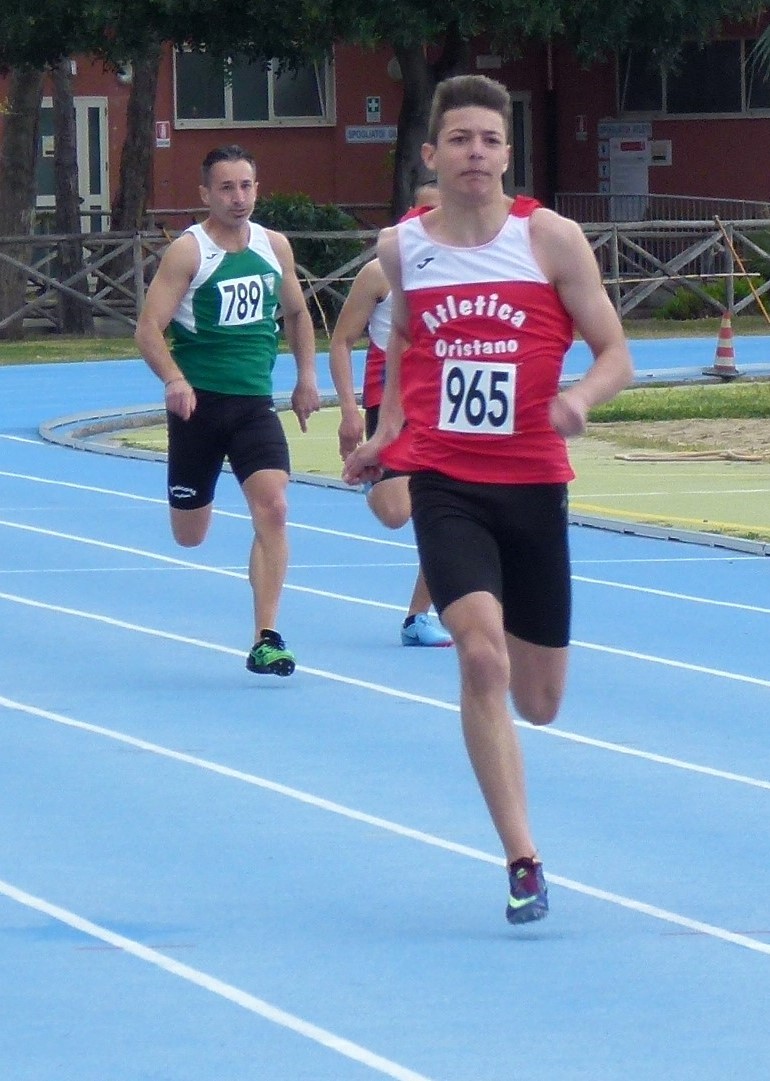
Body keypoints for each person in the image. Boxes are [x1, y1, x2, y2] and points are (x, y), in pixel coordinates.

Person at [343, 75, 634, 923]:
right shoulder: (403, 250)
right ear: (431, 154)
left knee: (539, 702)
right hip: (447, 482)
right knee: (479, 657)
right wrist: (385, 434)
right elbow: (404, 344)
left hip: (534, 484)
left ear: (508, 154)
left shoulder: (550, 239)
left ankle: (517, 722)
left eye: (490, 140)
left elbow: (617, 353)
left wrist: (579, 398)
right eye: (461, 139)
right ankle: (522, 859)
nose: (476, 153)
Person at [135, 145, 320, 678]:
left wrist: (307, 378)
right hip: (198, 406)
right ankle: (195, 498)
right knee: (189, 535)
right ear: (205, 194)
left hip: (253, 406)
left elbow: (297, 313)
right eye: (226, 188)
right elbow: (148, 330)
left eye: (246, 186)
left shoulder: (274, 246)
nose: (238, 198)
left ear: (257, 189)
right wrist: (174, 379)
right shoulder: (188, 253)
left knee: (274, 507)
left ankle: (266, 637)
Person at [329, 184, 452, 647]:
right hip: (389, 405)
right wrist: (348, 410)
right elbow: (341, 341)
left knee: (447, 509)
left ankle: (418, 617)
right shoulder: (380, 272)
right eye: (427, 210)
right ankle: (375, 476)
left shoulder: (470, 270)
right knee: (397, 514)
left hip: (444, 403)